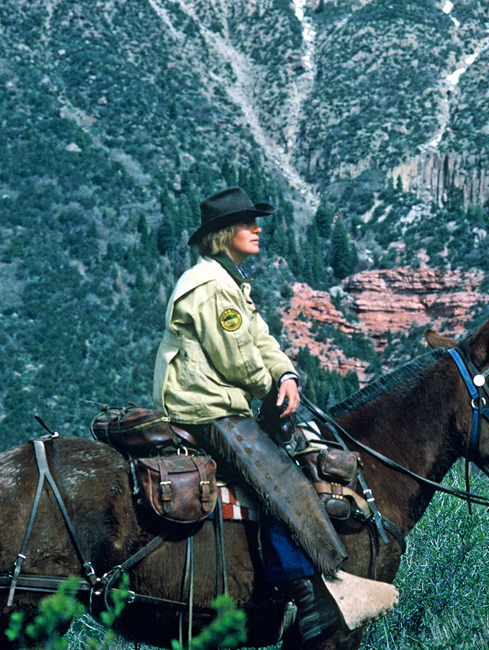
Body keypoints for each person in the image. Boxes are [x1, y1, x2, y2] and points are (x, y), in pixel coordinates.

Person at [153, 186, 346, 643]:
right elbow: (236, 358)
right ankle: (307, 594)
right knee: (278, 476)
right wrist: (271, 387)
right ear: (223, 234)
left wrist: (288, 375)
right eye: (246, 223)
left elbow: (261, 341)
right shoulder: (210, 287)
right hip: (205, 406)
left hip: (220, 402)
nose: (257, 229)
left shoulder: (230, 282)